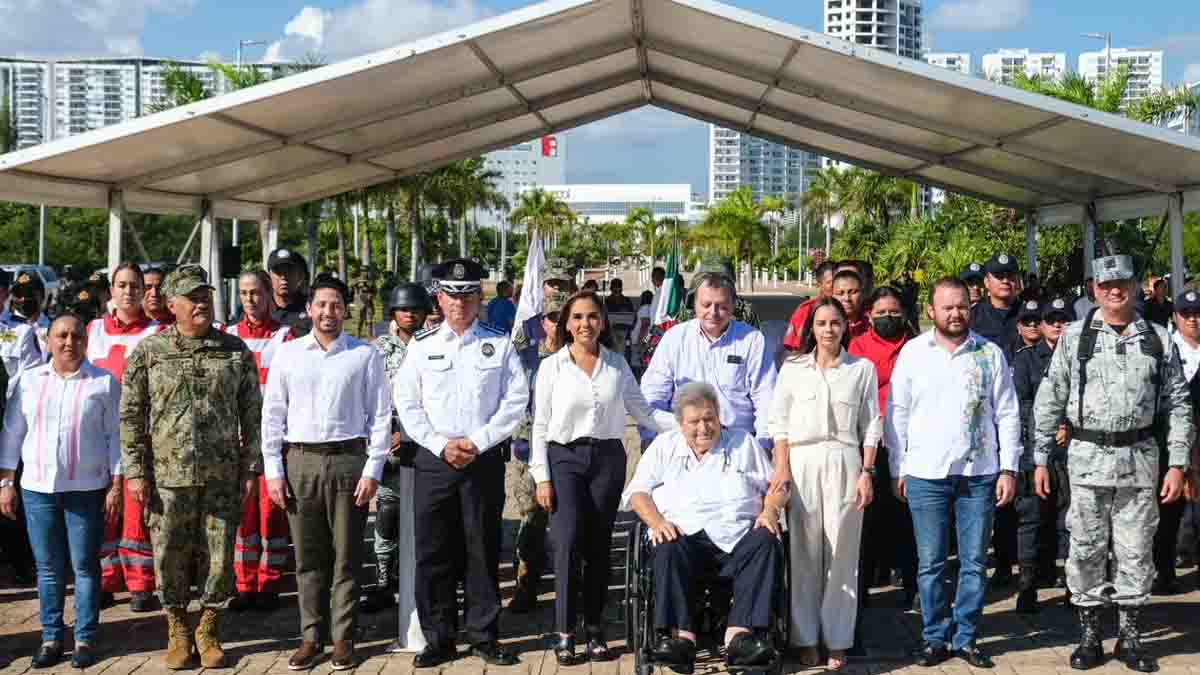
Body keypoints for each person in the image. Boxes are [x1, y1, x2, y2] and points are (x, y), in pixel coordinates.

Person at [1033, 256, 1192, 673]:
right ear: (1094, 289)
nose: (1115, 290)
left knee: (1136, 552)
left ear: (1136, 286)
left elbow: (1178, 404)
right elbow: (1050, 399)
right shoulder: (1074, 337)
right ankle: (1089, 636)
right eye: (1106, 285)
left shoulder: (1158, 338)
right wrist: (1040, 458)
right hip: (1086, 464)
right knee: (1085, 550)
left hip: (1140, 462)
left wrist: (1177, 464)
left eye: (1122, 282)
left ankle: (1130, 637)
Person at [120, 265, 262, 670]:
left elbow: (252, 416)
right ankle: (178, 627)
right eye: (192, 297)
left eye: (205, 296)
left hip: (221, 476)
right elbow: (131, 416)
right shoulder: (151, 353)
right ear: (171, 304)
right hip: (168, 478)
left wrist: (251, 468)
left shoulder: (235, 351)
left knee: (220, 557)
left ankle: (209, 628)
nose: (201, 303)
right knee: (169, 557)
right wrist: (135, 471)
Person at [393, 258, 529, 668]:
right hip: (435, 462)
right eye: (452, 295)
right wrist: (439, 444)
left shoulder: (500, 344)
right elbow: (407, 402)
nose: (459, 303)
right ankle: (439, 639)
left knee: (482, 549)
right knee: (433, 553)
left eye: (468, 294)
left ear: (479, 298)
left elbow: (516, 400)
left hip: (482, 460)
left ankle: (484, 636)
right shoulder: (422, 345)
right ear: (439, 297)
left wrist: (479, 441)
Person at [531, 291, 676, 664]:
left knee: (598, 547)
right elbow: (540, 426)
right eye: (577, 317)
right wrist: (541, 477)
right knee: (566, 544)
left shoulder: (616, 365)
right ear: (566, 323)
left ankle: (594, 630)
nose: (585, 324)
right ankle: (565, 632)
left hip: (608, 460)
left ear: (603, 322)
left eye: (592, 317)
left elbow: (643, 412)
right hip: (564, 459)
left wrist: (689, 427)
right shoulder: (552, 367)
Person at [886, 277, 1020, 669]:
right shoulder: (913, 354)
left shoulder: (989, 353)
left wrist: (1009, 468)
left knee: (975, 562)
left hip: (979, 474)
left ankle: (967, 637)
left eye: (961, 305)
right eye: (947, 307)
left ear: (970, 307)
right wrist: (899, 467)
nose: (955, 313)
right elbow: (897, 413)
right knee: (930, 563)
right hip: (926, 473)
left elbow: (1008, 413)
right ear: (932, 311)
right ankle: (934, 637)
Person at [262, 273, 390, 671]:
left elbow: (381, 415)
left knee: (347, 555)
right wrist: (273, 469)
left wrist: (373, 468)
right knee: (307, 556)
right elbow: (273, 414)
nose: (328, 311)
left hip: (349, 461)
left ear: (345, 310)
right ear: (309, 309)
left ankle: (343, 638)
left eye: (336, 304)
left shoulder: (365, 356)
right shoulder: (288, 354)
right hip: (300, 462)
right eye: (321, 304)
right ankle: (310, 636)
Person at [623, 382, 787, 674]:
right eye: (694, 421)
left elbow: (776, 486)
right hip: (683, 540)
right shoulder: (665, 446)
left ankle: (739, 638)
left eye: (709, 418)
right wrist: (657, 521)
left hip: (737, 540)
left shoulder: (742, 443)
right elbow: (637, 493)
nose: (703, 427)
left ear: (719, 416)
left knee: (767, 539)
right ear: (680, 423)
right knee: (665, 544)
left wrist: (770, 509)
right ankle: (681, 639)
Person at [0, 314, 119, 669]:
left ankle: (84, 637)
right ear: (48, 340)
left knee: (84, 566)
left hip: (86, 488)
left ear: (87, 341)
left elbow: (117, 437)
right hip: (38, 488)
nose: (69, 342)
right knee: (48, 568)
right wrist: (5, 483)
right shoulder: (28, 381)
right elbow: (11, 434)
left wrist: (117, 484)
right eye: (62, 336)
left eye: (77, 336)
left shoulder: (104, 383)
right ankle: (51, 637)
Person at [770, 298, 880, 670]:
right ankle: (804, 637)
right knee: (804, 552)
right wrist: (782, 470)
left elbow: (871, 424)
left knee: (842, 554)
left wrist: (867, 472)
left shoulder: (860, 369)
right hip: (802, 462)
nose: (829, 329)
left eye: (835, 323)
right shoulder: (793, 369)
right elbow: (779, 425)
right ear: (811, 329)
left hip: (846, 460)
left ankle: (837, 638)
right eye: (821, 323)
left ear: (845, 327)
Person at [640, 259, 777, 454]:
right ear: (693, 302)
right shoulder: (674, 338)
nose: (713, 313)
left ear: (733, 304)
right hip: (682, 447)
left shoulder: (752, 340)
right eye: (706, 305)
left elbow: (766, 397)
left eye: (721, 305)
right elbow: (653, 395)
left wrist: (763, 445)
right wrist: (649, 438)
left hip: (738, 449)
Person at [89, 263, 161, 613]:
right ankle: (104, 580)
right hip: (97, 434)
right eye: (122, 285)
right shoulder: (91, 330)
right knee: (102, 508)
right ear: (111, 291)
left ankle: (140, 583)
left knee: (136, 508)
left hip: (139, 435)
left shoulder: (157, 333)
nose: (129, 292)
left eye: (135, 285)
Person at [364, 283, 431, 657]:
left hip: (423, 444)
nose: (409, 315)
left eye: (415, 309)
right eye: (403, 310)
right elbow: (372, 395)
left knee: (423, 518)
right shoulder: (376, 349)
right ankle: (383, 581)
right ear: (393, 312)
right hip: (388, 445)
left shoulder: (432, 344)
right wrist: (385, 434)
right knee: (388, 515)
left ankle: (419, 583)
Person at [225, 270, 291, 613]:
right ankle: (243, 583)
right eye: (245, 293)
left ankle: (269, 582)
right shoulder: (228, 335)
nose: (250, 300)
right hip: (236, 440)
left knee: (271, 514)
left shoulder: (285, 336)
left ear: (268, 295)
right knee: (242, 516)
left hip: (271, 440)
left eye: (256, 293)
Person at [849, 287, 918, 609]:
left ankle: (914, 587)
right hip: (872, 446)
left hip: (911, 443)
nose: (888, 318)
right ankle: (861, 592)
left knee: (908, 519)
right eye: (881, 314)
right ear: (869, 316)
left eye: (894, 312)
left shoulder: (918, 346)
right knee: (870, 521)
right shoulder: (858, 347)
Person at [1011, 297, 1074, 613]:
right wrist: (1049, 430)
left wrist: (1070, 426)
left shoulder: (1081, 357)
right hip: (1037, 451)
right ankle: (1027, 586)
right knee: (1032, 519)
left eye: (1063, 319)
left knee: (1070, 520)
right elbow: (1021, 405)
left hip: (1073, 452)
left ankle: (1072, 585)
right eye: (1051, 320)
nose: (1056, 325)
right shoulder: (1025, 360)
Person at [507, 291, 567, 613]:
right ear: (541, 321)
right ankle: (526, 585)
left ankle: (570, 586)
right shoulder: (524, 356)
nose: (555, 324)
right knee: (530, 519)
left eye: (561, 317)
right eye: (550, 317)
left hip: (567, 451)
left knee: (566, 520)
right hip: (529, 450)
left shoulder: (579, 355)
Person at [1166, 290, 1200, 594]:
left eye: (1197, 313)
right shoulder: (1166, 349)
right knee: (1169, 507)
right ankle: (1165, 569)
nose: (1193, 319)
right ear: (1176, 316)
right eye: (1186, 313)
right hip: (1171, 439)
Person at [782, 260, 838, 353]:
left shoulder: (851, 307)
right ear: (820, 284)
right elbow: (794, 348)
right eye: (830, 282)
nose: (836, 286)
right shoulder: (806, 310)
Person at [268, 248, 312, 339]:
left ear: (299, 275)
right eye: (278, 272)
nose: (283, 277)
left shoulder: (312, 309)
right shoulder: (260, 308)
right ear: (269, 276)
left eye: (289, 271)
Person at [831, 269, 870, 339]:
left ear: (862, 293)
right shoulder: (825, 326)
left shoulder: (871, 324)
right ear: (832, 295)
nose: (847, 298)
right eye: (840, 293)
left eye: (852, 292)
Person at [353, 272, 378, 338]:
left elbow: (375, 291)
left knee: (369, 320)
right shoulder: (357, 280)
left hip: (368, 302)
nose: (365, 273)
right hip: (359, 302)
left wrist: (372, 295)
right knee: (359, 320)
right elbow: (353, 289)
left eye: (366, 271)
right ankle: (357, 336)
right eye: (363, 271)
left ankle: (369, 336)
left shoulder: (371, 281)